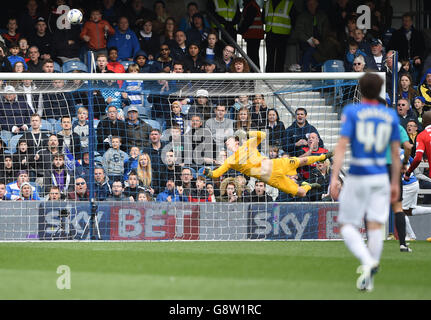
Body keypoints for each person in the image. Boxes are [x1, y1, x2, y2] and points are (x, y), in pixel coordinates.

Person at [329, 73, 401, 292]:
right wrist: (395, 182)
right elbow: (395, 154)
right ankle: (369, 277)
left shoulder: (352, 111)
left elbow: (341, 146)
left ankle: (367, 261)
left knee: (347, 225)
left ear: (360, 90)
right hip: (381, 176)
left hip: (359, 173)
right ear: (380, 90)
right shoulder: (390, 115)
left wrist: (334, 177)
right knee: (376, 226)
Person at [204, 130, 330, 198]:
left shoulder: (248, 144)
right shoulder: (230, 161)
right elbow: (216, 174)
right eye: (226, 144)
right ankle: (308, 185)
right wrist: (206, 172)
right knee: (302, 192)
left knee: (300, 161)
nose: (227, 145)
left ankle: (324, 156)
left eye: (228, 142)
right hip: (269, 178)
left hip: (275, 164)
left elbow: (263, 135)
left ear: (236, 141)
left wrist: (248, 133)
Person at [263, 0, 294, 72]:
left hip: (281, 35)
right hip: (272, 34)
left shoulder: (288, 4)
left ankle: (274, 76)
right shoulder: (267, 4)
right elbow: (263, 19)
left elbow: (294, 20)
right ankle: (270, 76)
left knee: (276, 58)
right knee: (275, 58)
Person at [238, 0, 263, 70]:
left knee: (252, 56)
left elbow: (248, 21)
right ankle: (254, 73)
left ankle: (254, 73)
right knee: (253, 56)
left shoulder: (251, 6)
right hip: (254, 35)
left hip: (253, 35)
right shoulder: (252, 5)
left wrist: (240, 31)